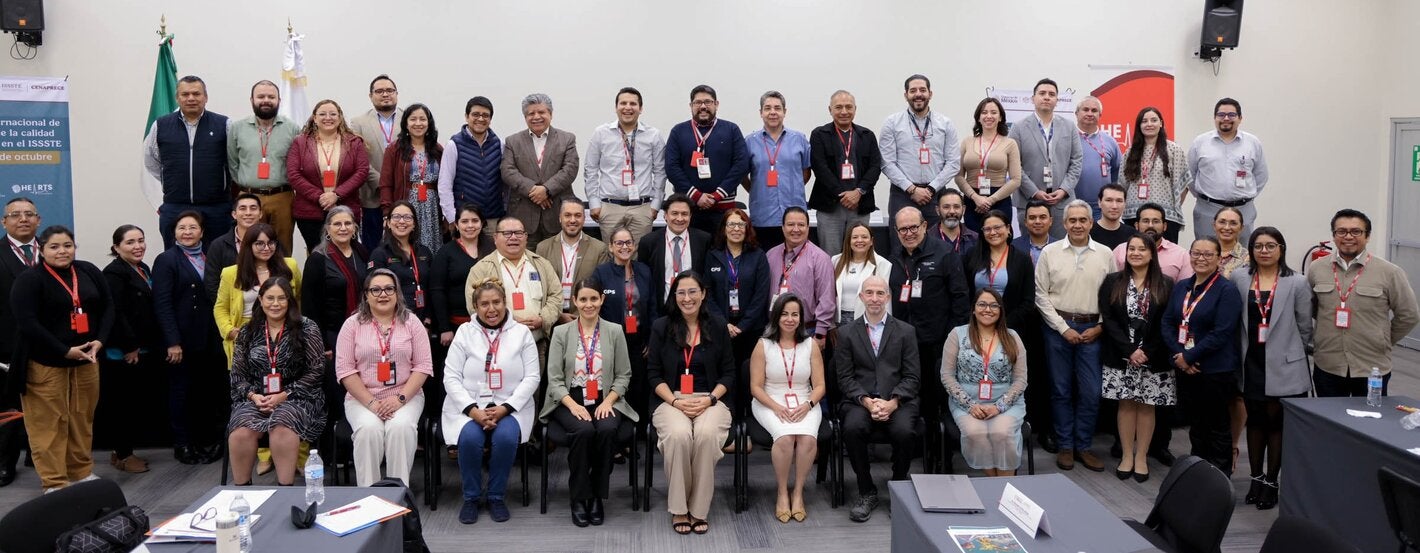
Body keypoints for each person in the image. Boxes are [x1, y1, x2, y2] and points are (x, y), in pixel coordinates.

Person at [10, 226, 113, 492]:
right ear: (41, 250)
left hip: (86, 360)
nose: (62, 251)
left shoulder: (88, 270)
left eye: (67, 245)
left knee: (81, 419)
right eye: (54, 247)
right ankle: (54, 482)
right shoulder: (30, 279)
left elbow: (108, 307)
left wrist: (100, 341)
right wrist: (63, 350)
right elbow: (27, 322)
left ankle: (80, 472)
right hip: (45, 363)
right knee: (48, 424)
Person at [443, 278, 541, 524]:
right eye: (484, 304)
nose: (492, 309)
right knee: (469, 439)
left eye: (496, 302)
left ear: (505, 302)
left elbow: (532, 377)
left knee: (506, 438)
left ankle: (496, 496)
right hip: (469, 406)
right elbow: (451, 377)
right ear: (475, 307)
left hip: (510, 407)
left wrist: (505, 408)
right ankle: (471, 498)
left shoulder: (521, 333)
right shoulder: (464, 333)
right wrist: (472, 410)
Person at [541, 279, 638, 527]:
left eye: (593, 299)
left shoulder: (614, 330)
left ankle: (596, 495)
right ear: (574, 301)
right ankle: (579, 497)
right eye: (583, 299)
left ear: (602, 300)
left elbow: (624, 374)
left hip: (607, 398)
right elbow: (554, 379)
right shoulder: (561, 333)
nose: (588, 304)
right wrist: (573, 406)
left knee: (606, 429)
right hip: (569, 399)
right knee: (583, 430)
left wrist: (609, 401)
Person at [647, 271, 735, 535]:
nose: (687, 298)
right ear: (674, 297)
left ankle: (698, 509)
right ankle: (679, 508)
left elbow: (729, 373)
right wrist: (675, 401)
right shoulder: (661, 326)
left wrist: (710, 399)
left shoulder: (718, 325)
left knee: (707, 435)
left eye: (692, 292)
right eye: (681, 293)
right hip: (671, 399)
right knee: (678, 435)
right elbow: (653, 374)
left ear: (703, 294)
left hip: (710, 399)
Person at [1232, 227, 1312, 509]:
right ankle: (1255, 477)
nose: (1264, 251)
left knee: (1276, 425)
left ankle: (1271, 482)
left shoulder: (1297, 282)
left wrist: (1291, 352)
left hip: (1284, 364)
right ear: (1251, 250)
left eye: (1270, 245)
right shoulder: (1240, 278)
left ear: (1281, 249)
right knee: (1254, 423)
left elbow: (1305, 326)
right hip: (1250, 360)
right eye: (1258, 246)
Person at [1034, 200, 1116, 471]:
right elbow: (1041, 295)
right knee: (1060, 391)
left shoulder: (1105, 254)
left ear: (1091, 223)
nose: (1078, 225)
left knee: (1091, 392)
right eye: (1073, 220)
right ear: (1064, 223)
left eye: (1083, 220)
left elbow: (1114, 295)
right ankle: (1066, 445)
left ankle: (1083, 446)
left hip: (1093, 331)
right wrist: (1063, 328)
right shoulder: (1050, 252)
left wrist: (1102, 326)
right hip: (1058, 329)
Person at [336, 269, 432, 487]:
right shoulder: (352, 325)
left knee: (400, 428)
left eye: (389, 289)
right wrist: (372, 403)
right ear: (366, 295)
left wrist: (399, 399)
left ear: (397, 293)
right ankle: (369, 496)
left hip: (406, 396)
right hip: (363, 399)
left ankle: (397, 493)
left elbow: (423, 366)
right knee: (368, 430)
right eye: (375, 290)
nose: (383, 294)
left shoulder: (412, 322)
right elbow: (345, 371)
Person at [1307, 209, 1419, 396]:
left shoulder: (1389, 272)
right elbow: (1312, 307)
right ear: (1334, 236)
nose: (1348, 237)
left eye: (1356, 231)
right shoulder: (1317, 268)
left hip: (1371, 366)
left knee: (1369, 421)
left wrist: (1384, 340)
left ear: (1367, 236)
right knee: (1330, 422)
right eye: (1341, 231)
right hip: (1328, 364)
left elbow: (1409, 314)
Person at [835, 276, 920, 523]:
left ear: (888, 297)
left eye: (880, 293)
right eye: (869, 293)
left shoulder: (905, 331)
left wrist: (893, 402)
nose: (874, 298)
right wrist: (866, 401)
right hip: (860, 400)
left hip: (898, 400)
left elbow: (913, 376)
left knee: (905, 431)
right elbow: (845, 377)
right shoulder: (846, 333)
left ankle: (898, 486)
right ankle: (866, 490)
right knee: (852, 428)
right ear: (861, 297)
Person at [889, 206, 970, 460]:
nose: (909, 233)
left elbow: (960, 299)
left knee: (937, 398)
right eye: (903, 229)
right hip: (905, 343)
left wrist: (953, 339)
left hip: (938, 342)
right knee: (913, 395)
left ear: (925, 225)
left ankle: (939, 451)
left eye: (914, 227)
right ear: (896, 231)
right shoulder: (894, 258)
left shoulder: (945, 253)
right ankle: (916, 445)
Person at [227, 277, 326, 486]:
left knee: (282, 424)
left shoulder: (307, 327)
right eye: (270, 298)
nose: (275, 304)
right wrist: (254, 396)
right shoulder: (248, 331)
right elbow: (237, 374)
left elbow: (316, 371)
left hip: (299, 398)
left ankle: (285, 489)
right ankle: (242, 491)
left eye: (281, 298)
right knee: (241, 431)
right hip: (257, 398)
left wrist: (284, 395)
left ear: (289, 301)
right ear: (260, 300)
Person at [1098, 234, 1175, 483]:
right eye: (1132, 248)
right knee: (1126, 404)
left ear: (1152, 254)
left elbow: (1168, 321)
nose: (1136, 253)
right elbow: (1108, 319)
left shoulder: (1166, 283)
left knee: (1146, 405)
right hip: (1122, 354)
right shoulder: (1113, 281)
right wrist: (1129, 349)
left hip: (1153, 355)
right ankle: (1127, 456)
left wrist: (1147, 351)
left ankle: (1141, 456)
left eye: (1142, 249)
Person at [1162, 237, 1242, 474]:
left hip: (1215, 369)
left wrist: (1190, 356)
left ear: (1219, 259)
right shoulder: (1182, 286)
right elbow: (1167, 323)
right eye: (1196, 253)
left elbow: (1222, 332)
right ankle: (1198, 473)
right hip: (1186, 367)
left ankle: (1219, 477)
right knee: (1196, 425)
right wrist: (1179, 355)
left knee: (1217, 426)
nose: (1201, 259)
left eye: (1208, 254)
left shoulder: (1227, 290)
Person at [151, 211, 226, 465]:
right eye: (182, 227)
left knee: (206, 392)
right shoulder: (166, 260)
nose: (187, 232)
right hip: (181, 341)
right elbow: (162, 304)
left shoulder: (209, 256)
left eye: (193, 227)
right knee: (181, 393)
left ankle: (204, 441)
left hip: (209, 339)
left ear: (202, 232)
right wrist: (172, 341)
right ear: (174, 232)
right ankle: (183, 444)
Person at [966, 211, 1043, 453]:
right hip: (975, 333)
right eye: (987, 229)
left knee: (1007, 382)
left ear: (1009, 229)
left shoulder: (1021, 259)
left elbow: (1029, 301)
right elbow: (963, 295)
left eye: (998, 227)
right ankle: (978, 428)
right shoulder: (971, 257)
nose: (993, 232)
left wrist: (1001, 325)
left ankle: (1006, 432)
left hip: (1010, 332)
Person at [750, 294, 826, 523]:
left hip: (805, 399)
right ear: (776, 316)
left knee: (807, 440)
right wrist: (777, 407)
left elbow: (820, 385)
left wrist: (808, 404)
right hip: (769, 400)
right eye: (784, 314)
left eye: (795, 314)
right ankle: (782, 491)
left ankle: (798, 492)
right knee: (784, 438)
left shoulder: (810, 344)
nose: (790, 319)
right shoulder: (763, 345)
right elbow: (755, 387)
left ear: (801, 318)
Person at [467, 217, 561, 395]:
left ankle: (531, 424)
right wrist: (509, 321)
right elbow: (473, 307)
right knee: (500, 394)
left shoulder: (541, 264)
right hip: (496, 346)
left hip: (535, 343)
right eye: (507, 233)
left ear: (526, 237)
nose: (513, 237)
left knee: (531, 394)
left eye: (519, 233)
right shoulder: (481, 268)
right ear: (495, 237)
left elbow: (555, 296)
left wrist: (543, 319)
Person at [942, 288, 1028, 476]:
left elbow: (1021, 379)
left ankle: (1005, 485)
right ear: (973, 309)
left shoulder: (1012, 337)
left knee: (1001, 432)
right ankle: (995, 483)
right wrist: (970, 405)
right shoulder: (957, 334)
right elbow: (947, 376)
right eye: (982, 304)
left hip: (1006, 401)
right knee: (975, 433)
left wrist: (999, 406)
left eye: (993, 305)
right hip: (966, 402)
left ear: (1000, 310)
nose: (987, 309)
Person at [143, 75, 232, 249]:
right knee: (175, 262)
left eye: (196, 94)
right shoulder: (160, 125)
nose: (191, 98)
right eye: (185, 94)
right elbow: (151, 161)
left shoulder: (224, 124)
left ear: (205, 97)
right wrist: (172, 179)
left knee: (217, 261)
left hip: (216, 209)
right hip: (176, 206)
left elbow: (234, 161)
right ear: (177, 98)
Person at [98, 225, 157, 474]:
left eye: (141, 240)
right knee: (122, 406)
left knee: (135, 404)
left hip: (142, 348)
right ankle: (123, 454)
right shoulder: (113, 274)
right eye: (130, 242)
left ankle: (122, 452)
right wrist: (129, 347)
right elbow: (116, 314)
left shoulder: (142, 268)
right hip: (121, 353)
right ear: (116, 247)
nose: (138, 246)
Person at [300, 207, 368, 421]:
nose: (343, 228)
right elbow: (309, 306)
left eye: (348, 223)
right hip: (333, 335)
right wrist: (322, 344)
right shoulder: (317, 259)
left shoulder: (362, 252)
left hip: (364, 331)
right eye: (337, 224)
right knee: (340, 388)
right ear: (327, 229)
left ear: (355, 227)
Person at [879, 74, 961, 251]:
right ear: (905, 95)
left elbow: (953, 162)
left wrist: (931, 189)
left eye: (922, 90)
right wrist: (912, 189)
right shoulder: (892, 123)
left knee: (937, 246)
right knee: (901, 246)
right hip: (903, 194)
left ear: (930, 94)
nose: (918, 94)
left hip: (936, 194)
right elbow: (886, 162)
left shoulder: (945, 124)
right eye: (913, 90)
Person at [664, 85, 750, 235]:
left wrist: (717, 196)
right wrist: (697, 196)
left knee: (721, 254)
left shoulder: (731, 130)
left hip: (723, 210)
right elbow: (672, 167)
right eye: (698, 102)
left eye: (708, 102)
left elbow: (741, 165)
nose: (703, 106)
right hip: (688, 211)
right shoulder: (678, 131)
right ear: (691, 106)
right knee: (692, 255)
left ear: (716, 104)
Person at [585, 87, 666, 245]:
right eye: (623, 103)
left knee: (639, 256)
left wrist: (655, 205)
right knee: (611, 254)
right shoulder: (601, 133)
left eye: (633, 104)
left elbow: (660, 172)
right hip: (610, 207)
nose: (628, 107)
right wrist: (594, 203)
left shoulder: (653, 135)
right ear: (616, 108)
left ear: (640, 108)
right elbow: (591, 170)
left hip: (642, 208)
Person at [288, 99, 371, 253]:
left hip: (345, 208)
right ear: (314, 118)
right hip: (310, 211)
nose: (328, 118)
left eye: (333, 114)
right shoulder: (300, 142)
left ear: (340, 118)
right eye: (322, 114)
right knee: (316, 253)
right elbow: (293, 174)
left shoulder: (354, 142)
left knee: (346, 252)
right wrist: (319, 196)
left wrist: (336, 195)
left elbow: (361, 172)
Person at [227, 79, 300, 253]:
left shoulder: (292, 129)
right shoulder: (237, 128)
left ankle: (282, 280)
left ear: (279, 101)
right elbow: (232, 162)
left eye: (271, 97)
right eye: (260, 96)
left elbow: (297, 163)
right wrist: (247, 184)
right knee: (249, 247)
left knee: (282, 247)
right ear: (252, 100)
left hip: (282, 197)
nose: (266, 100)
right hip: (248, 198)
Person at [215, 222, 301, 367]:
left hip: (284, 333)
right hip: (246, 335)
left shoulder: (290, 265)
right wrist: (229, 331)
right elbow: (221, 307)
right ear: (249, 245)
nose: (266, 248)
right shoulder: (231, 273)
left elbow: (298, 297)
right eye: (259, 244)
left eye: (271, 243)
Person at [809, 90, 881, 257]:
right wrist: (842, 194)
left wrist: (858, 192)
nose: (844, 112)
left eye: (849, 107)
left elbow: (875, 166)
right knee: (830, 255)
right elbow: (820, 167)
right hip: (830, 207)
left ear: (855, 109)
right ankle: (831, 285)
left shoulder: (867, 135)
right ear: (830, 110)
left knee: (859, 254)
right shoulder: (819, 134)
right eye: (838, 107)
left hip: (860, 205)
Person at [591, 226, 654, 417]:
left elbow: (652, 306)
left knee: (637, 385)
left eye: (628, 242)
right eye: (619, 243)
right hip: (611, 340)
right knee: (615, 384)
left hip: (639, 341)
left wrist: (651, 339)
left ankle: (637, 431)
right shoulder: (601, 273)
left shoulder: (644, 270)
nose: (624, 247)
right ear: (610, 247)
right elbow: (593, 307)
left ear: (634, 246)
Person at [1009, 78, 1082, 239]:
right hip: (1029, 201)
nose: (1047, 97)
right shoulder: (1018, 127)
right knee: (1030, 251)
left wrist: (1064, 190)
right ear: (1033, 98)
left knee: (1061, 251)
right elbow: (1014, 165)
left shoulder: (1069, 127)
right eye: (1042, 93)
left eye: (1051, 94)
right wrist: (1034, 192)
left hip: (1061, 202)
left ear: (1057, 100)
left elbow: (1076, 161)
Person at [502, 93, 580, 245]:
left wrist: (546, 190)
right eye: (531, 113)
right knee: (526, 262)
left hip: (556, 210)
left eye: (541, 112)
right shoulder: (513, 141)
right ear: (525, 117)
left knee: (556, 262)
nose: (536, 116)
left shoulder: (567, 139)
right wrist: (533, 190)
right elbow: (507, 170)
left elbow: (570, 168)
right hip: (523, 213)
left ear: (550, 114)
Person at [1187, 98, 1269, 237]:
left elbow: (1261, 176)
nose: (1226, 118)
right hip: (1208, 209)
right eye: (1221, 115)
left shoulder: (1252, 143)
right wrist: (1205, 196)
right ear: (1214, 118)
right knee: (1207, 254)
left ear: (1240, 118)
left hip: (1243, 209)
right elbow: (1190, 175)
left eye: (1231, 115)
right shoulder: (1200, 142)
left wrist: (1243, 196)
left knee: (1242, 255)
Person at [0, 198, 39, 485]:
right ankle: (5, 462)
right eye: (15, 215)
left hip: (51, 345)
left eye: (29, 214)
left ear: (38, 220)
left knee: (48, 406)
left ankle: (39, 456)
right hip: (8, 344)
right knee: (9, 409)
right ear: (5, 222)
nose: (23, 219)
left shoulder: (53, 249)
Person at [704, 208, 771, 371]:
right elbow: (707, 293)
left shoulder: (758, 256)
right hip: (720, 327)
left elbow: (761, 295)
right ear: (723, 228)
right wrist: (723, 323)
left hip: (751, 328)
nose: (736, 229)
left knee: (749, 371)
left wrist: (743, 326)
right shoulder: (712, 255)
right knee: (723, 371)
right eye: (731, 224)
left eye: (741, 224)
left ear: (747, 228)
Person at [744, 91, 811, 250]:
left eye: (777, 108)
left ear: (784, 112)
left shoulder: (799, 139)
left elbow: (806, 172)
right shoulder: (749, 142)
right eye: (767, 108)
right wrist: (756, 189)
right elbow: (742, 176)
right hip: (763, 214)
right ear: (761, 113)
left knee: (796, 263)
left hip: (794, 215)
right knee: (766, 265)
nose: (772, 112)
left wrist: (792, 186)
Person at [379, 103, 444, 253]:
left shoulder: (437, 149)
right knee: (405, 246)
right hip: (406, 204)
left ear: (429, 123)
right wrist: (387, 213)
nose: (418, 123)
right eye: (413, 119)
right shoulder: (394, 149)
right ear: (406, 124)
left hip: (432, 208)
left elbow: (445, 182)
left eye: (422, 119)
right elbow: (385, 184)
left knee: (431, 249)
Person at [768, 207, 836, 348]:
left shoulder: (820, 258)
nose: (796, 229)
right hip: (774, 331)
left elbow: (826, 299)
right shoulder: (770, 255)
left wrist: (820, 334)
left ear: (808, 227)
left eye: (801, 225)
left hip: (807, 331)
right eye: (791, 224)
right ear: (782, 227)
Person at [349, 74, 403, 249]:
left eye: (389, 90)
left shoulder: (410, 119)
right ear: (370, 96)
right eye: (379, 91)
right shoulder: (358, 123)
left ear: (396, 93)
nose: (385, 94)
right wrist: (383, 184)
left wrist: (398, 184)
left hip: (404, 192)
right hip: (372, 196)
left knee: (403, 242)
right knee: (373, 246)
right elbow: (359, 159)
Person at [535, 198, 610, 323]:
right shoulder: (543, 248)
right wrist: (557, 315)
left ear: (584, 219)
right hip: (552, 318)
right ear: (560, 218)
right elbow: (539, 288)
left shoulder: (599, 248)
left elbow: (601, 288)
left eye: (578, 215)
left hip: (586, 318)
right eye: (567, 215)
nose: (573, 220)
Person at [1122, 107, 1190, 243]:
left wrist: (1169, 209)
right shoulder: (1130, 152)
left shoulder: (1173, 149)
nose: (1149, 124)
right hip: (1134, 217)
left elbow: (1183, 186)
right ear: (1139, 126)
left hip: (1165, 218)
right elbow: (1123, 186)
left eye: (1154, 120)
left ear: (1161, 123)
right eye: (1144, 121)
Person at [438, 97, 506, 231]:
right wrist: (452, 218)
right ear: (466, 116)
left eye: (485, 115)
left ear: (490, 119)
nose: (480, 119)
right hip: (465, 219)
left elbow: (505, 185)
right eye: (475, 114)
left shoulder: (499, 145)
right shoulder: (454, 145)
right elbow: (445, 184)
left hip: (493, 219)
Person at [637, 194, 711, 315]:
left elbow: (707, 277)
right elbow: (644, 279)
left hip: (694, 308)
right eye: (675, 213)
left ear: (691, 216)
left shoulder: (703, 240)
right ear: (665, 215)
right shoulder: (649, 242)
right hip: (661, 310)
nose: (680, 218)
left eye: (684, 214)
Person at [955, 97, 1021, 233]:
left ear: (1001, 117)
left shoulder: (1010, 143)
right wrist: (975, 197)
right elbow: (959, 176)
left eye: (993, 112)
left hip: (999, 199)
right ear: (978, 118)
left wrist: (990, 200)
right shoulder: (967, 142)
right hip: (972, 199)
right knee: (973, 243)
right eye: (984, 112)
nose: (989, 116)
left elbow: (1016, 180)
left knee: (998, 242)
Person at [432, 204, 493, 349]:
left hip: (491, 322)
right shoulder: (445, 252)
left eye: (475, 220)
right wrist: (444, 327)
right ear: (457, 225)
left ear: (482, 223)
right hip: (456, 325)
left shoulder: (493, 248)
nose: (470, 225)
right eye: (465, 221)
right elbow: (437, 290)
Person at [371, 201, 435, 327]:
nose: (401, 221)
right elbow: (374, 292)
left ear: (414, 224)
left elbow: (432, 288)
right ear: (388, 223)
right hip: (393, 321)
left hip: (423, 321)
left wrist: (428, 319)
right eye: (396, 217)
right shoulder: (379, 254)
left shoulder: (425, 252)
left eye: (407, 217)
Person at [204, 193, 264, 303]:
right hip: (230, 310)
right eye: (243, 208)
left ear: (260, 214)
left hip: (267, 309)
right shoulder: (218, 245)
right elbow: (211, 284)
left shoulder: (272, 243)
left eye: (253, 208)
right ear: (234, 214)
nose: (248, 213)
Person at [831, 222, 893, 325]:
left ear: (871, 241)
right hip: (838, 320)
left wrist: (886, 325)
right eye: (855, 237)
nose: (859, 240)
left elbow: (885, 298)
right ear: (849, 241)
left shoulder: (883, 264)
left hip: (867, 320)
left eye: (864, 237)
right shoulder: (836, 260)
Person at [1113, 203, 1191, 281]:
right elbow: (1112, 283)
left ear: (1165, 226)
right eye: (1145, 221)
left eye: (1156, 221)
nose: (1150, 225)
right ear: (1137, 225)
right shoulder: (1121, 251)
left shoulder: (1181, 255)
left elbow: (1185, 289)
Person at [1073, 96, 1121, 217]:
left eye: (1094, 111)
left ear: (1100, 115)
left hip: (1102, 208)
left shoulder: (1110, 141)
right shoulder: (1067, 139)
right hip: (1073, 206)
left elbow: (1117, 172)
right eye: (1086, 109)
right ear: (1076, 113)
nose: (1090, 113)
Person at [931, 189, 978, 256]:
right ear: (938, 210)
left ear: (963, 210)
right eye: (946, 207)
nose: (952, 211)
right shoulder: (926, 239)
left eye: (956, 207)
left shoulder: (975, 239)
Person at [1010, 199, 1056, 264]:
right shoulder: (1013, 247)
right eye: (1032, 218)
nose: (1037, 221)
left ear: (1051, 221)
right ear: (1025, 222)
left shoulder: (1060, 247)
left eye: (1042, 217)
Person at [1091, 184, 1134, 250]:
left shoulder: (1132, 235)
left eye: (1119, 201)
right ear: (1099, 202)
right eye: (1109, 200)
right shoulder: (1088, 232)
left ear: (1125, 204)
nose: (1114, 206)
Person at [1214, 207, 1249, 278]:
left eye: (1233, 223)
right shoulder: (1202, 253)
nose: (1227, 228)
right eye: (1222, 222)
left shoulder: (1247, 258)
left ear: (1241, 228)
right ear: (1214, 225)